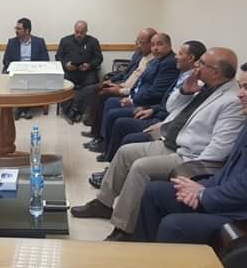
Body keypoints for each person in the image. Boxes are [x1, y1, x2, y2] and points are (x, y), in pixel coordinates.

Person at [134, 60, 247, 244]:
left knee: (174, 225)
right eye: (240, 87)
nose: (240, 94)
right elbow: (232, 168)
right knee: (155, 192)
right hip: (240, 201)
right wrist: (202, 188)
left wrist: (203, 195)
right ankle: (144, 255)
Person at [71, 47, 246, 242]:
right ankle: (103, 204)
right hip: (172, 142)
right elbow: (171, 107)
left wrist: (191, 168)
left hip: (191, 157)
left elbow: (220, 147)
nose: (197, 66)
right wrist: (185, 90)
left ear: (216, 72)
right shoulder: (203, 86)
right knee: (125, 152)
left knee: (141, 168)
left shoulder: (232, 101)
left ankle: (125, 229)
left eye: (202, 63)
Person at [87, 40, 206, 187]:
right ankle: (108, 160)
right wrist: (150, 108)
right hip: (159, 112)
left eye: (180, 54)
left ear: (191, 58)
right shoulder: (181, 73)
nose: (176, 56)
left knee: (122, 126)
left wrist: (150, 110)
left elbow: (166, 101)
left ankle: (112, 172)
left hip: (166, 124)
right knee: (109, 104)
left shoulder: (193, 82)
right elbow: (167, 102)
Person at [85, 33, 179, 154]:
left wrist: (132, 99)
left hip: (147, 104)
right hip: (137, 96)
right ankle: (102, 140)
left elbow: (156, 92)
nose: (155, 48)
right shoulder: (155, 59)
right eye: (153, 45)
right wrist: (131, 96)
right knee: (107, 99)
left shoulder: (169, 63)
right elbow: (139, 80)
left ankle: (107, 147)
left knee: (112, 110)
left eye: (159, 44)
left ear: (169, 45)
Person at [80, 28, 156, 131]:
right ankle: (93, 124)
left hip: (130, 92)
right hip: (124, 85)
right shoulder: (142, 56)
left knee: (103, 94)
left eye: (141, 42)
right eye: (137, 41)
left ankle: (97, 131)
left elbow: (139, 84)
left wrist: (120, 89)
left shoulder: (153, 61)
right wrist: (116, 83)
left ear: (151, 44)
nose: (138, 45)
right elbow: (128, 74)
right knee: (98, 88)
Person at [2, 17, 50, 119]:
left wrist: (35, 69)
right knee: (19, 79)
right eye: (16, 28)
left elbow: (45, 60)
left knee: (28, 79)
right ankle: (25, 109)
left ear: (27, 30)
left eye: (19, 29)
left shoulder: (39, 42)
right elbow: (6, 60)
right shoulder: (12, 42)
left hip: (33, 72)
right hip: (17, 71)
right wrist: (15, 67)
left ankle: (21, 109)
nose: (16, 31)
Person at [55, 20, 103, 122]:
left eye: (82, 32)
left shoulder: (93, 41)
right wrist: (66, 65)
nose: (79, 35)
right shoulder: (65, 41)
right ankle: (71, 111)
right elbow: (58, 57)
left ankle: (74, 110)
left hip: (87, 72)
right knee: (63, 85)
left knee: (92, 86)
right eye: (77, 32)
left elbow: (99, 58)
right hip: (70, 72)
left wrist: (89, 65)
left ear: (86, 31)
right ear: (74, 30)